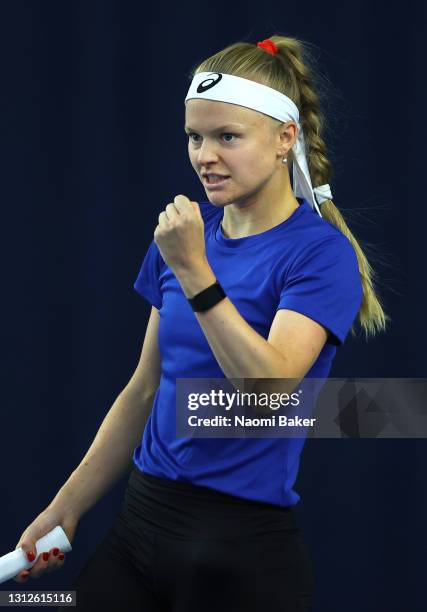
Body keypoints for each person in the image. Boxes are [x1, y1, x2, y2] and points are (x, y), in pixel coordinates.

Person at [12, 35, 388, 611]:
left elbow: (269, 394)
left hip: (241, 554)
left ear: (286, 138)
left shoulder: (319, 254)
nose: (204, 156)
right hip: (140, 525)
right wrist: (64, 507)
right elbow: (143, 390)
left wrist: (195, 272)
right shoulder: (185, 239)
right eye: (195, 136)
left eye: (227, 137)